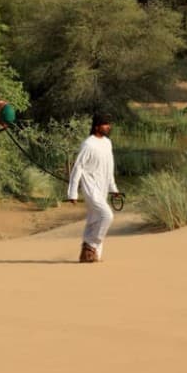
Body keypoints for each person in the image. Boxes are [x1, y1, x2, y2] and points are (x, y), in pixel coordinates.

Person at [66, 113, 120, 263]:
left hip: (102, 187)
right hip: (90, 188)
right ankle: (90, 246)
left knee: (94, 219)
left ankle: (89, 256)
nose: (108, 127)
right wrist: (73, 193)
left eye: (109, 124)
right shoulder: (88, 144)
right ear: (97, 126)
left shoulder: (107, 143)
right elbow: (78, 168)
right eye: (105, 124)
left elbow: (109, 168)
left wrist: (113, 189)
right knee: (107, 215)